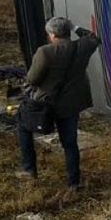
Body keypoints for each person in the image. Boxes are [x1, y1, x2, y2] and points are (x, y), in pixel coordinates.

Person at [17, 17, 99, 187]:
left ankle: (29, 169)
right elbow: (94, 37)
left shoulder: (45, 51)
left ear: (52, 34)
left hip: (47, 104)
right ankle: (74, 182)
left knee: (23, 127)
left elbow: (33, 79)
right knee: (69, 143)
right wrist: (75, 26)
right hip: (71, 104)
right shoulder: (83, 46)